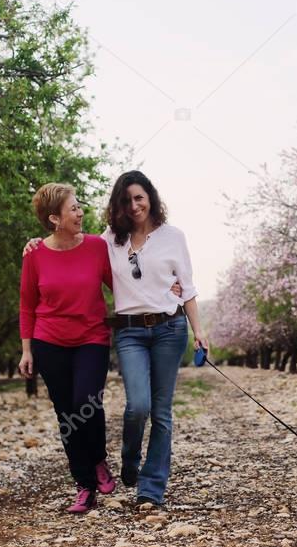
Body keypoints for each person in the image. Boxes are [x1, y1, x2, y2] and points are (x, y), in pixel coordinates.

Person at [25, 170, 206, 507]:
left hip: (169, 329)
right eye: (127, 200)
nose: (134, 205)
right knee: (137, 406)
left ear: (150, 197)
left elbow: (189, 288)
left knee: (162, 412)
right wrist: (37, 242)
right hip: (130, 332)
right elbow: (70, 250)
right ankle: (128, 457)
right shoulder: (109, 240)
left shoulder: (173, 236)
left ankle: (151, 489)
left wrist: (200, 333)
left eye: (139, 197)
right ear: (118, 206)